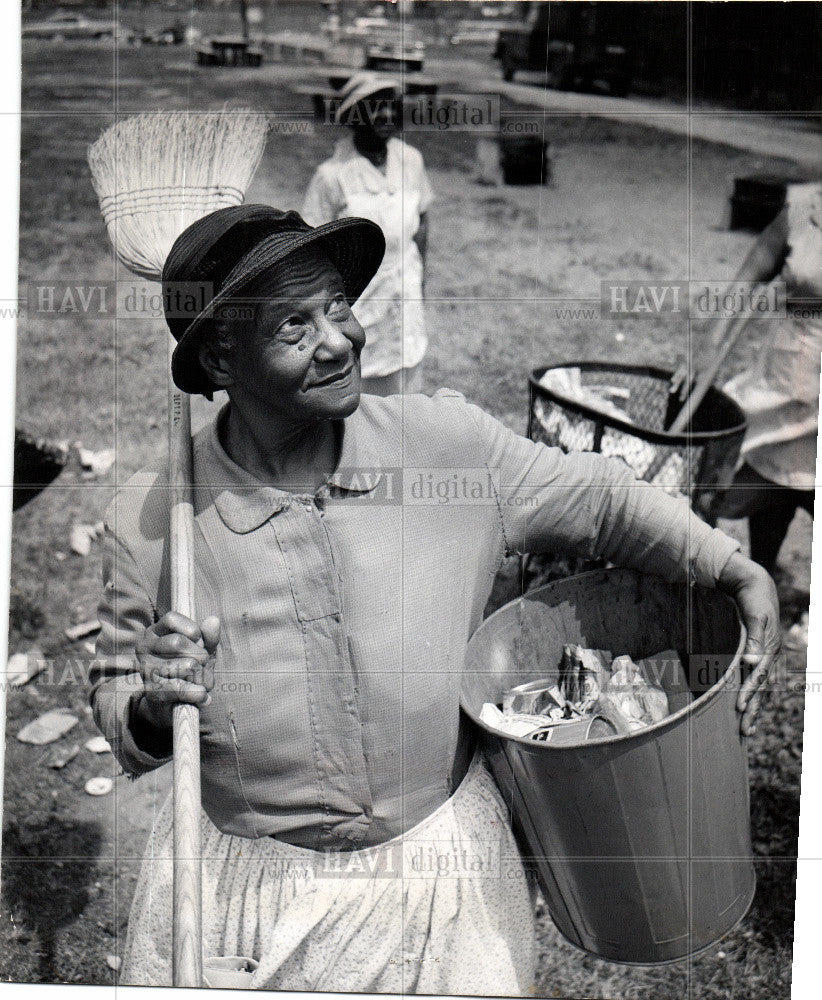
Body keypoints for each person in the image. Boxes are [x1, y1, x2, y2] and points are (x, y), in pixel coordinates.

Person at [90, 204, 780, 995]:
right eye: (293, 326)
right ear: (220, 357)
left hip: (440, 880)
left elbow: (601, 500)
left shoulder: (444, 448)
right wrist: (149, 703)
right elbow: (118, 703)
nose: (339, 340)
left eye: (339, 307)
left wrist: (731, 566)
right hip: (249, 903)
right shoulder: (150, 526)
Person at [682, 182, 821, 576]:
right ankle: (752, 581)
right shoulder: (805, 207)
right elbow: (752, 269)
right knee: (747, 486)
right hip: (785, 378)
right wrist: (710, 344)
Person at [302, 72, 432, 396]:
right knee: (363, 394)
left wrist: (422, 279)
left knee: (408, 385)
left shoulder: (411, 161)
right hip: (357, 302)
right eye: (375, 108)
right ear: (353, 118)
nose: (387, 115)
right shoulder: (332, 176)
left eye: (392, 107)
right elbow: (311, 249)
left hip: (406, 292)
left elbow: (423, 222)